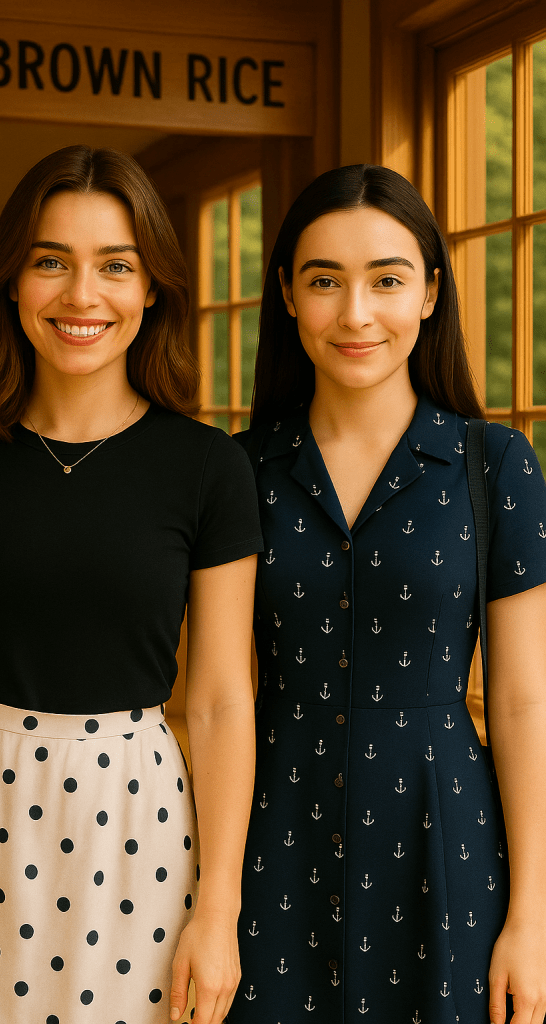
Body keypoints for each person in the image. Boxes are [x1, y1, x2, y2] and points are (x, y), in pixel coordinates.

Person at [0, 145, 262, 1024]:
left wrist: (219, 908)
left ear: (151, 288)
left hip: (137, 826)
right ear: (11, 281)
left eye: (115, 266)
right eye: (51, 262)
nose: (83, 296)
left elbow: (225, 699)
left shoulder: (207, 467)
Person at [228, 164, 546, 1024]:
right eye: (323, 280)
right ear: (288, 296)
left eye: (387, 279)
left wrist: (534, 915)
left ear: (431, 292)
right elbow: (215, 692)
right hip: (267, 840)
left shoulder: (495, 464)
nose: (356, 313)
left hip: (444, 840)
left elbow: (520, 703)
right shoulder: (239, 469)